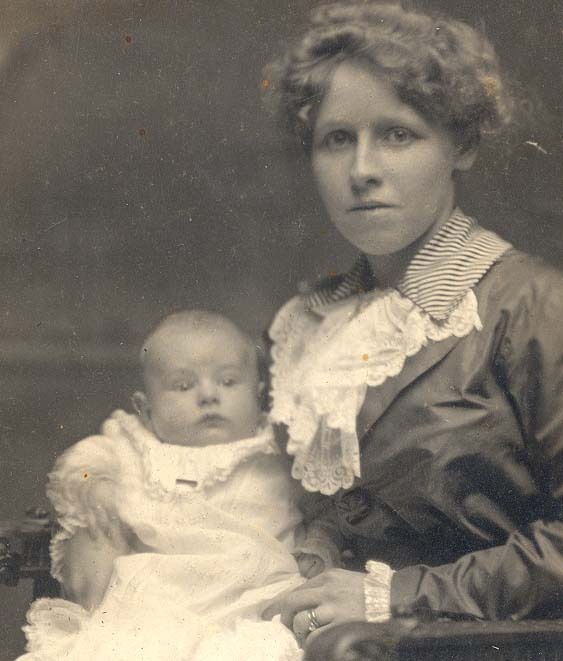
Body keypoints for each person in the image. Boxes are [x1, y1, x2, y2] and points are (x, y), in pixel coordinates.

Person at [262, 0, 563, 647]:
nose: (362, 170)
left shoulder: (533, 306)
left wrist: (392, 594)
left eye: (396, 134)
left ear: (462, 144)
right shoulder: (304, 323)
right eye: (336, 139)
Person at [19, 310, 328, 660]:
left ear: (258, 396)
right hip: (156, 600)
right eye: (184, 385)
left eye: (228, 382)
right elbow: (83, 460)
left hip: (257, 600)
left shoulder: (279, 449)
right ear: (145, 409)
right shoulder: (137, 445)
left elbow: (325, 510)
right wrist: (97, 483)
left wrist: (318, 549)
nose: (209, 395)